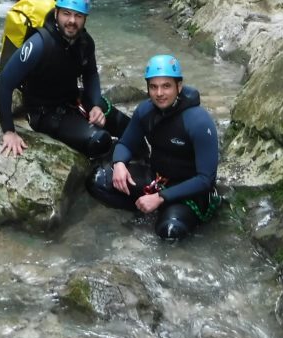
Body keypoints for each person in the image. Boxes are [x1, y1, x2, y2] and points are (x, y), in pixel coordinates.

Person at [87, 54, 219, 240]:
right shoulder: (145, 111)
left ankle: (163, 211)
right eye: (153, 87)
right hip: (157, 178)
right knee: (97, 181)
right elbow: (125, 143)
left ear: (179, 87)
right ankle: (147, 207)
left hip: (189, 190)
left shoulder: (198, 121)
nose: (159, 93)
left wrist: (160, 198)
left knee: (170, 231)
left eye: (166, 86)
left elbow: (206, 180)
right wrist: (119, 164)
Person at [0, 0, 129, 158]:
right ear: (56, 13)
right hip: (44, 112)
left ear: (85, 18)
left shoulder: (85, 43)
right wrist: (8, 131)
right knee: (99, 141)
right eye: (66, 13)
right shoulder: (38, 45)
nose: (72, 20)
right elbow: (2, 85)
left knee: (127, 126)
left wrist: (95, 105)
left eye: (78, 15)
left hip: (72, 99)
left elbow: (91, 74)